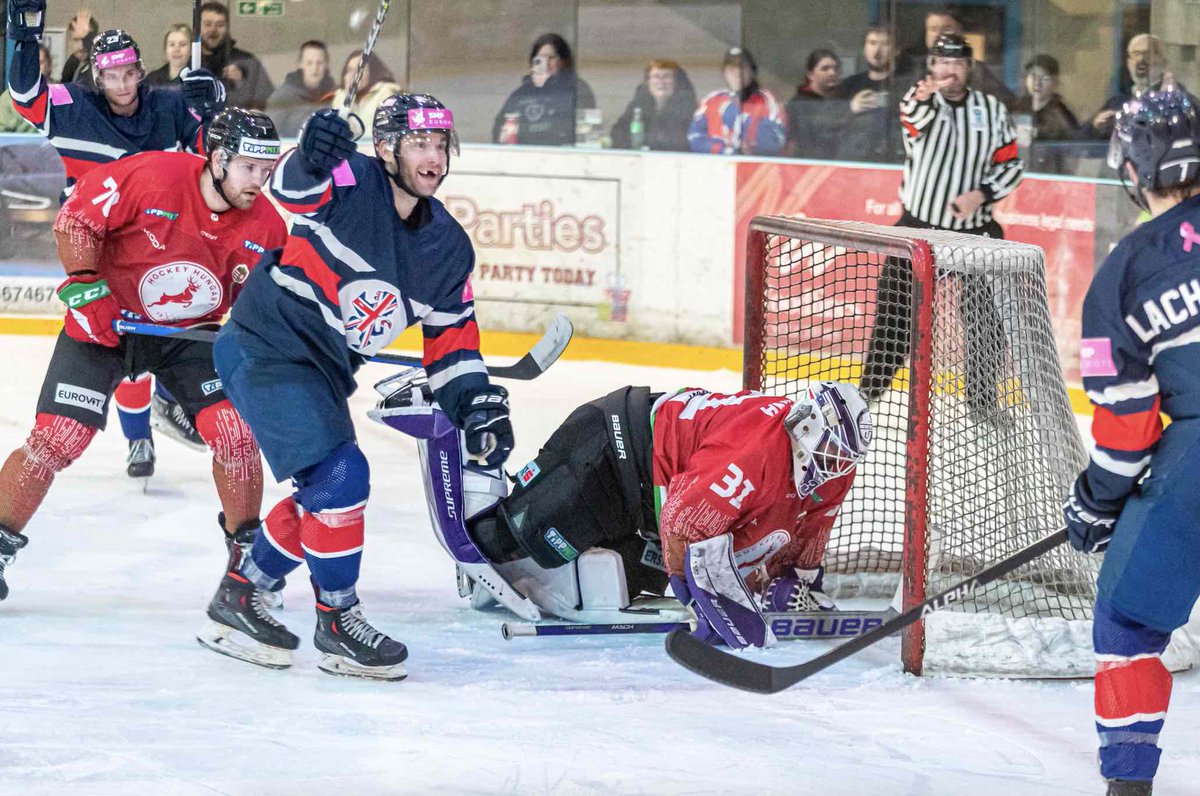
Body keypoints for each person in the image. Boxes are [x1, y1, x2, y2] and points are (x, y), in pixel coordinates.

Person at [197, 94, 514, 680]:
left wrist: (480, 404)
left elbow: (452, 348)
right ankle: (337, 619)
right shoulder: (353, 176)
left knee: (326, 487)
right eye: (420, 143)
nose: (434, 157)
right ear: (387, 148)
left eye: (441, 144)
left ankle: (243, 593)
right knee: (343, 477)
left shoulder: (450, 249)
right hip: (266, 346)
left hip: (322, 372)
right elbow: (293, 189)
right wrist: (315, 150)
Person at [0, 109, 287, 611]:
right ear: (218, 159)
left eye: (266, 171)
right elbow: (77, 219)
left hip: (189, 338)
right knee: (57, 439)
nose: (258, 183)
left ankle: (248, 563)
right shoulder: (151, 174)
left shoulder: (267, 226)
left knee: (237, 434)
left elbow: (274, 305)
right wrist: (86, 285)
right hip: (106, 322)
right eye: (248, 168)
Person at [384, 378, 871, 647]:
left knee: (613, 583)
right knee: (501, 542)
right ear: (804, 430)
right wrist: (695, 594)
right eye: (827, 452)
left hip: (648, 496)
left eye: (841, 459)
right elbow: (685, 520)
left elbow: (814, 524)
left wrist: (802, 579)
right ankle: (446, 424)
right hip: (611, 448)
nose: (832, 466)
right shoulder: (756, 451)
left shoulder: (834, 465)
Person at [7, 8, 228, 477]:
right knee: (117, 338)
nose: (123, 86)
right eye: (111, 76)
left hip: (159, 243)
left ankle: (167, 401)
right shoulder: (73, 106)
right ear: (96, 76)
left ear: (141, 72)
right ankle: (139, 438)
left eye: (129, 74)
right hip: (94, 246)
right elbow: (26, 95)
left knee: (165, 332)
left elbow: (213, 155)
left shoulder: (169, 104)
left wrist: (211, 107)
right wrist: (23, 36)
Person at [1061, 90, 1200, 796]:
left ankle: (1130, 783)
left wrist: (1095, 501)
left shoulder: (1126, 272)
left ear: (1131, 170)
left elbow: (1127, 429)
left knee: (1127, 617)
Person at [858, 34, 1022, 422]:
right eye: (941, 63)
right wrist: (925, 94)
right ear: (931, 66)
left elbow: (1011, 165)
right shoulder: (920, 101)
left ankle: (981, 401)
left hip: (975, 231)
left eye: (958, 64)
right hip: (919, 229)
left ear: (969, 68)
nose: (949, 71)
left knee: (987, 322)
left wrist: (980, 194)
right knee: (894, 319)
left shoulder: (991, 110)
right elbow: (914, 119)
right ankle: (866, 395)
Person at [491, 33, 597, 147]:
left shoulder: (578, 89)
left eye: (551, 58)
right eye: (540, 59)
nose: (546, 63)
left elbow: (588, 133)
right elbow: (500, 129)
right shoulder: (522, 93)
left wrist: (550, 86)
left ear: (563, 62)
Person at [897, 8, 1014, 109]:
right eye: (933, 29)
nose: (939, 35)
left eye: (946, 28)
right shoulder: (910, 66)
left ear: (960, 32)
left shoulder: (976, 70)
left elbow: (1008, 103)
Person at [688, 47, 786, 156]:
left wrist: (751, 142)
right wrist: (726, 151)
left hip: (755, 169)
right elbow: (695, 138)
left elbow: (778, 140)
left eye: (743, 67)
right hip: (715, 168)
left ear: (752, 72)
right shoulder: (712, 100)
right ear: (724, 73)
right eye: (731, 68)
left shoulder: (767, 100)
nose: (737, 73)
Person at [1086, 35, 1176, 140]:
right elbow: (1080, 140)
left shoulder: (1176, 98)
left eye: (1148, 54)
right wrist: (1096, 126)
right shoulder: (1117, 102)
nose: (1141, 59)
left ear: (1163, 62)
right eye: (1136, 54)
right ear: (1128, 63)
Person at [836, 26, 902, 163]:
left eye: (885, 44)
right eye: (872, 43)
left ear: (896, 51)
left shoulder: (906, 85)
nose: (877, 50)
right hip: (854, 161)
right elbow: (827, 124)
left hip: (893, 161)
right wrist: (850, 107)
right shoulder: (849, 84)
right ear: (864, 49)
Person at [198, 0, 273, 111]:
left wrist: (242, 84)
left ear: (227, 28)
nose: (213, 30)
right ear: (198, 27)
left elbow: (267, 104)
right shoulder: (188, 63)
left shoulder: (248, 62)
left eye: (220, 25)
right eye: (208, 24)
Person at [609, 59, 696, 152]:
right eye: (656, 76)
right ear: (648, 82)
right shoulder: (638, 105)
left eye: (666, 76)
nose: (661, 82)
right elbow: (618, 132)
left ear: (677, 82)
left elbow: (677, 141)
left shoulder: (689, 109)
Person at [328, 50, 402, 142]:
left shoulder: (386, 94)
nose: (354, 76)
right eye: (350, 71)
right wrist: (348, 96)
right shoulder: (341, 96)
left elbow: (386, 132)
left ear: (372, 72)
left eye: (359, 70)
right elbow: (336, 132)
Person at [267, 40, 335, 138]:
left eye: (319, 63)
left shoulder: (336, 95)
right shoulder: (283, 96)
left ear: (326, 65)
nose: (315, 68)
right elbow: (272, 134)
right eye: (309, 63)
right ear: (300, 64)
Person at [786, 49, 843, 160]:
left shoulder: (843, 99)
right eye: (825, 69)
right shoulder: (799, 104)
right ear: (810, 74)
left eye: (835, 68)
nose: (832, 73)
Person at [1012, 54, 1079, 141]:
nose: (1037, 83)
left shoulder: (1061, 112)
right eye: (1033, 76)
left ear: (1055, 83)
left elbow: (1070, 144)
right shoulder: (1018, 107)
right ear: (1025, 79)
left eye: (1045, 78)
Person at [0, 44, 50, 133]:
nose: (35, 69)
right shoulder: (7, 98)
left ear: (49, 65)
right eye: (30, 64)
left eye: (40, 63)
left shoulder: (59, 95)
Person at [59, 7, 98, 84]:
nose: (81, 46)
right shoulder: (71, 63)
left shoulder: (101, 63)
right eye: (76, 40)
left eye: (85, 38)